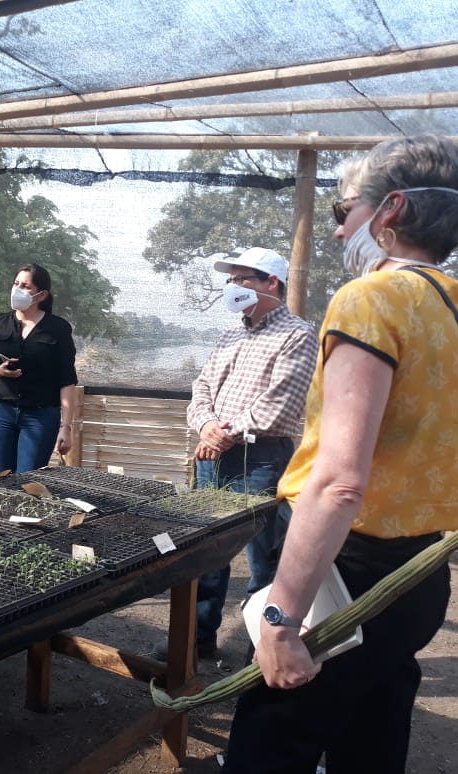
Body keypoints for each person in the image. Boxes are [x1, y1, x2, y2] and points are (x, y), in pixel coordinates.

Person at [223, 135, 458, 773]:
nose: (338, 228)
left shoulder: (371, 299)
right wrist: (454, 502)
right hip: (420, 572)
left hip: (346, 569)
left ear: (390, 211)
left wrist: (281, 616)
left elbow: (340, 482)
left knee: (274, 738)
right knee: (373, 731)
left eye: (344, 210)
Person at [185, 247, 317, 658]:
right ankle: (199, 639)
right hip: (212, 456)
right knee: (208, 549)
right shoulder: (231, 335)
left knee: (263, 558)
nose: (233, 287)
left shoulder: (298, 334)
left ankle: (261, 651)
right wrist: (207, 426)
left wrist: (223, 433)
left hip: (262, 458)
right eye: (231, 280)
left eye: (242, 279)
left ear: (269, 284)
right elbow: (202, 388)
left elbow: (282, 402)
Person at [0, 263, 78, 474]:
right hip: (0, 410)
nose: (18, 289)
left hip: (40, 415)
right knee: (2, 478)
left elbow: (67, 380)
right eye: (16, 284)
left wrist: (66, 427)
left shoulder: (57, 328)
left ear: (41, 295)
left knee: (28, 479)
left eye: (26, 286)